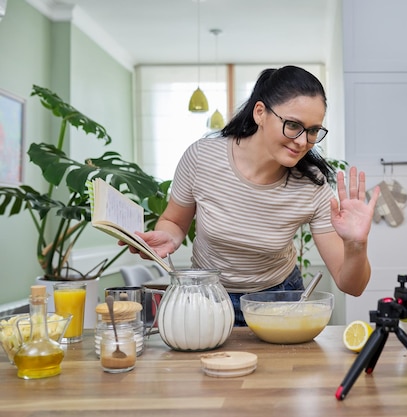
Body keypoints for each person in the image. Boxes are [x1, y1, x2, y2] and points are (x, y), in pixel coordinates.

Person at [127, 65, 380, 326]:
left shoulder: (311, 186)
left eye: (313, 130)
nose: (303, 141)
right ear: (260, 113)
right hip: (207, 298)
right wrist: (167, 237)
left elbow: (352, 286)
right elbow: (176, 222)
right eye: (293, 125)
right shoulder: (202, 157)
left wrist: (356, 245)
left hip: (278, 301)